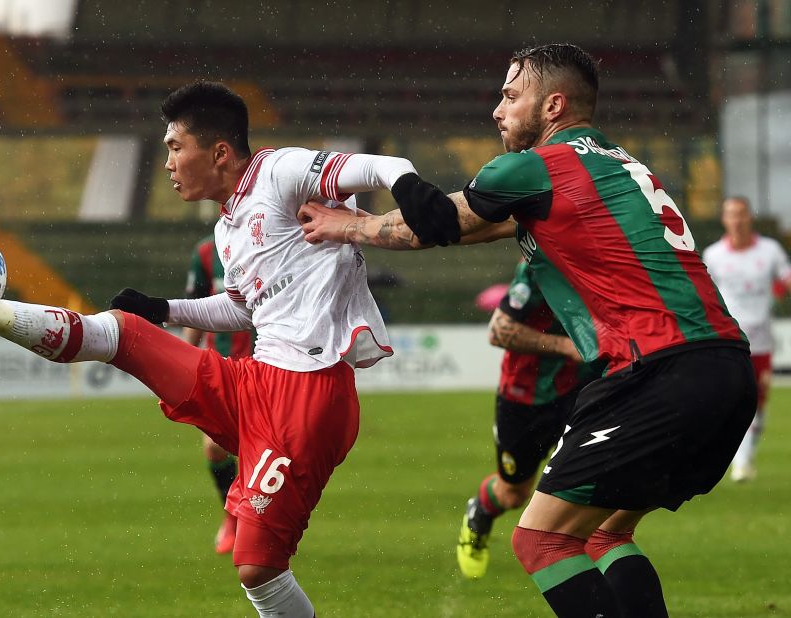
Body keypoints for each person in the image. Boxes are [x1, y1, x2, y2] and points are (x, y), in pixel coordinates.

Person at [0, 81, 423, 617]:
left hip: (308, 395)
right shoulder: (228, 229)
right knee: (127, 331)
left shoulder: (277, 172)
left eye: (176, 147)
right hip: (255, 379)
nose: (169, 161)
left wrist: (408, 187)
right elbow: (245, 310)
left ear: (219, 152)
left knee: (258, 566)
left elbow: (378, 166)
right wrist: (165, 308)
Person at [299, 43, 756, 617]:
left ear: (553, 105)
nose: (498, 109)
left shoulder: (535, 166)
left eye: (511, 95)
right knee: (605, 535)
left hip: (660, 369)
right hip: (723, 368)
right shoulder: (614, 165)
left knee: (540, 540)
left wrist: (352, 218)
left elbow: (437, 222)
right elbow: (461, 229)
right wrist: (358, 226)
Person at [457, 260, 602, 579]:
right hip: (526, 397)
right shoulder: (539, 267)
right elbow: (498, 332)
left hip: (584, 387)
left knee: (589, 475)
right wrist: (567, 346)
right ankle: (480, 512)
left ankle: (586, 550)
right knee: (514, 492)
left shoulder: (603, 255)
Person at [702, 196, 791, 482]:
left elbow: (786, 279)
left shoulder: (770, 250)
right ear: (724, 219)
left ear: (748, 217)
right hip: (729, 341)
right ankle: (738, 461)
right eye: (731, 215)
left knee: (759, 401)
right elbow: (705, 295)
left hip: (762, 341)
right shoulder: (714, 255)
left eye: (741, 214)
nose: (737, 220)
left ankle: (744, 457)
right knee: (732, 399)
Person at [182, 232, 254, 553]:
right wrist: (180, 363)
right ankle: (233, 517)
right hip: (219, 366)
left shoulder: (268, 238)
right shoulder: (206, 253)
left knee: (261, 449)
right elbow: (196, 309)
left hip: (264, 362)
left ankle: (259, 523)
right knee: (214, 447)